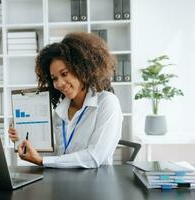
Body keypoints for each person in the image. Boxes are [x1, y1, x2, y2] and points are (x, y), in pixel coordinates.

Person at [8, 32, 123, 168]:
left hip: (95, 184)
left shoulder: (107, 103)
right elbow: (60, 155)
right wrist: (22, 138)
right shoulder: (60, 112)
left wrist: (41, 161)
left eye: (64, 74)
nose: (59, 83)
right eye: (54, 78)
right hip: (62, 181)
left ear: (82, 68)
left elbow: (94, 157)